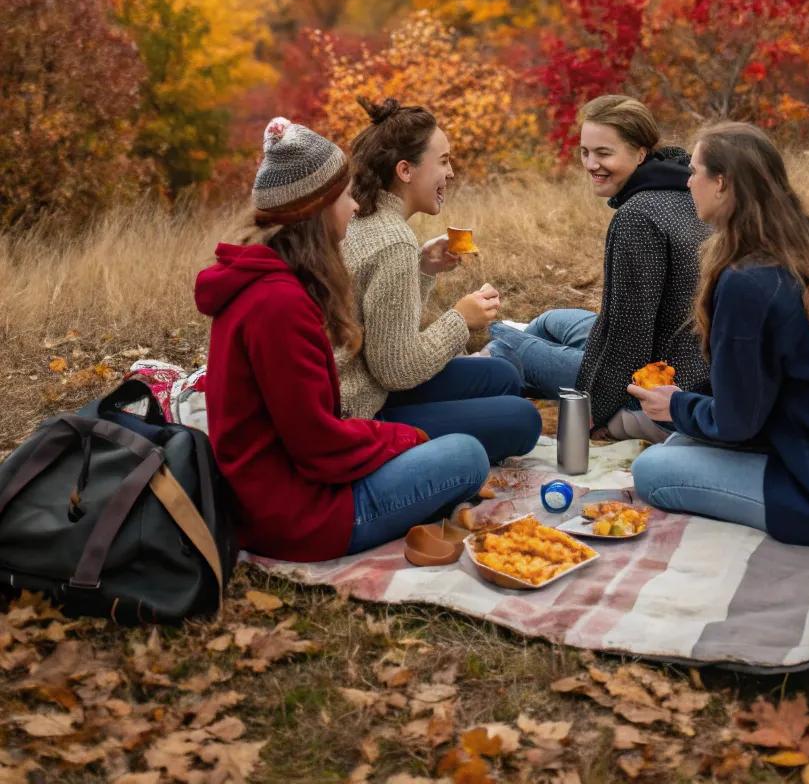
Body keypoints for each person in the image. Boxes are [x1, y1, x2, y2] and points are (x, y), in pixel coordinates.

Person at [195, 117, 490, 562]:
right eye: (345, 196)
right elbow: (320, 446)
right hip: (299, 515)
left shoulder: (269, 281)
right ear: (314, 210)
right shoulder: (278, 304)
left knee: (480, 408)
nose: (355, 206)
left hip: (277, 488)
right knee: (466, 455)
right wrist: (406, 438)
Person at [628, 120, 809, 546]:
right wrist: (688, 412)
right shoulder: (803, 249)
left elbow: (736, 422)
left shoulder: (748, 281)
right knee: (679, 445)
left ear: (721, 183)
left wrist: (676, 407)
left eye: (696, 170)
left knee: (652, 471)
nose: (688, 181)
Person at [488, 95, 710, 440]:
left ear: (640, 153)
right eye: (584, 152)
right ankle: (537, 360)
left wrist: (596, 411)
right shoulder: (688, 187)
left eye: (604, 153)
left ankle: (483, 390)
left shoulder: (637, 217)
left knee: (501, 339)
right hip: (687, 350)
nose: (591, 164)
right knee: (551, 320)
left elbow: (629, 337)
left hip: (660, 378)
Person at [338, 97, 542, 463]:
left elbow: (382, 332)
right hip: (358, 412)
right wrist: (461, 320)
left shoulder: (363, 219)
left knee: (503, 375)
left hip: (366, 381)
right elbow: (397, 368)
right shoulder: (392, 241)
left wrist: (423, 269)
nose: (450, 173)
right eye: (444, 161)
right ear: (405, 170)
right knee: (523, 419)